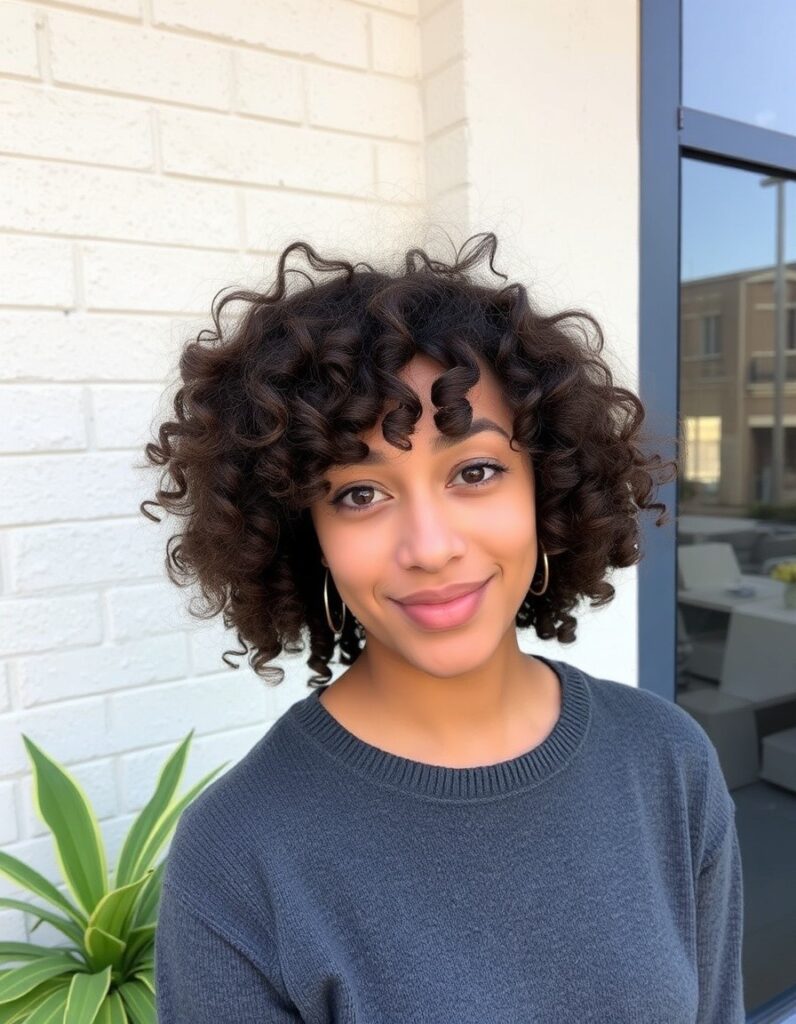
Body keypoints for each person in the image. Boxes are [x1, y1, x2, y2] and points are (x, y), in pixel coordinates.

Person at [142, 233, 744, 1023]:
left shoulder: (666, 764)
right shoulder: (239, 856)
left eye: (475, 472)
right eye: (359, 493)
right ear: (301, 530)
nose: (430, 547)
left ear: (548, 487)